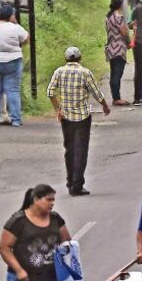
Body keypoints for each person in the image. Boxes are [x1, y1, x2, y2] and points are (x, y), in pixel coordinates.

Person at [47, 47, 111, 196]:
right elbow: (97, 93)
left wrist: (58, 109)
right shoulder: (85, 72)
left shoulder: (59, 72)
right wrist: (105, 107)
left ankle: (70, 182)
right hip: (82, 116)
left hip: (66, 116)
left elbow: (50, 92)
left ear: (66, 59)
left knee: (69, 149)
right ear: (80, 58)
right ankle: (77, 184)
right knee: (81, 151)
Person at [0, 3, 29, 127]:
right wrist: (15, 23)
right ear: (11, 15)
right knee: (13, 90)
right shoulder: (15, 27)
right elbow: (26, 39)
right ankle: (15, 120)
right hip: (12, 61)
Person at [105, 0, 131, 106]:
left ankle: (115, 97)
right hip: (119, 48)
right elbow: (123, 32)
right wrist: (129, 42)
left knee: (113, 73)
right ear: (120, 5)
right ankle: (117, 98)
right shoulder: (119, 17)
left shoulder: (109, 17)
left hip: (111, 47)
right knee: (117, 74)